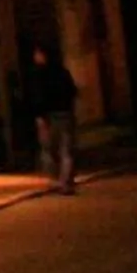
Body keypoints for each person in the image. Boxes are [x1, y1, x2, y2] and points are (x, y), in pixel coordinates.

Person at [28, 45, 79, 195]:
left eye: (37, 54)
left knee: (48, 149)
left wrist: (39, 115)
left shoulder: (39, 74)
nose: (35, 57)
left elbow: (37, 96)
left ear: (43, 56)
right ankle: (66, 182)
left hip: (47, 117)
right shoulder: (63, 72)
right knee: (66, 150)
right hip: (65, 114)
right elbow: (72, 91)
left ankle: (54, 180)